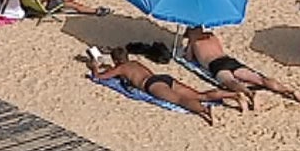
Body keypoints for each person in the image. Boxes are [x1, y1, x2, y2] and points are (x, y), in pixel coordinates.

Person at [88, 47, 240, 125]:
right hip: (162, 78)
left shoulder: (120, 68)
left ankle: (205, 109)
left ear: (116, 60)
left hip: (151, 85)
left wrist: (94, 66)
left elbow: (99, 77)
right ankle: (232, 95)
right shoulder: (135, 63)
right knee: (199, 94)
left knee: (180, 100)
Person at [183, 27, 300, 108]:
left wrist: (189, 45)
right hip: (229, 60)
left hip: (216, 64)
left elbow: (188, 59)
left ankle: (250, 94)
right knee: (260, 79)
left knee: (230, 82)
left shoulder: (194, 42)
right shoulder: (212, 36)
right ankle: (290, 91)